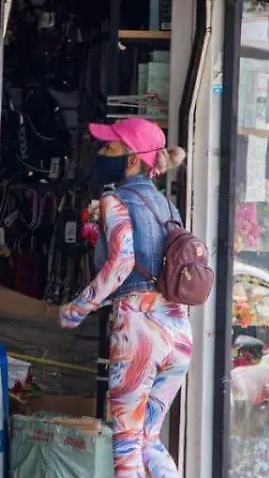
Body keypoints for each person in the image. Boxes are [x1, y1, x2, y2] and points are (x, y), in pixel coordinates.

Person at [58, 117, 191, 478]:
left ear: (132, 160)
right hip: (178, 333)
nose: (101, 153)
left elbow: (122, 262)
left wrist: (76, 308)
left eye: (110, 147)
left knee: (128, 442)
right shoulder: (169, 209)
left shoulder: (114, 201)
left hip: (139, 331)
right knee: (149, 438)